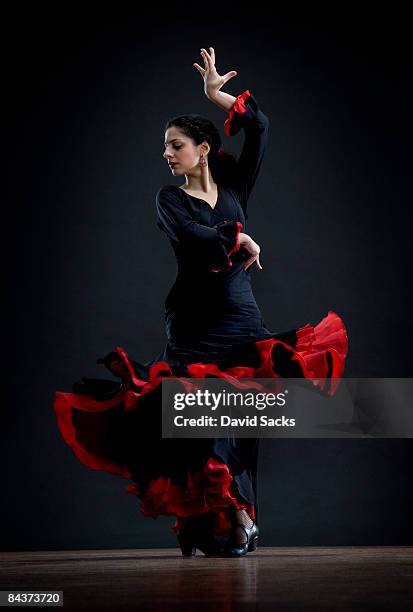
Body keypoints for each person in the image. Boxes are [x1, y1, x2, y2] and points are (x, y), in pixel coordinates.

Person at [52, 47, 348, 558]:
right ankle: (225, 517)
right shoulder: (169, 199)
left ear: (204, 148)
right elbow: (194, 238)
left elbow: (260, 127)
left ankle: (235, 519)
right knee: (199, 421)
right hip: (192, 323)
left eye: (176, 145)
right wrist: (241, 238)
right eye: (165, 147)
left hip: (241, 320)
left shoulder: (234, 186)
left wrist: (218, 96)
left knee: (239, 420)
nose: (167, 154)